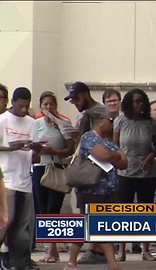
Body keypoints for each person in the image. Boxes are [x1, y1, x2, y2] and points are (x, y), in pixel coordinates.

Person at [63, 107, 127, 270]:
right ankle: (111, 263)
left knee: (99, 226)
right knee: (92, 225)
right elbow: (104, 156)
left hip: (109, 191)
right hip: (91, 191)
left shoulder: (108, 141)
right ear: (100, 121)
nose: (112, 123)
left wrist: (114, 155)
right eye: (109, 120)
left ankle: (72, 262)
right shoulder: (88, 137)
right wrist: (115, 155)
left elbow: (124, 162)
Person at [65, 81, 111, 264]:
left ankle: (90, 252)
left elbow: (100, 140)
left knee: (90, 214)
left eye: (77, 98)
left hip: (95, 171)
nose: (75, 103)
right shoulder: (85, 114)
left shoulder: (97, 113)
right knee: (90, 213)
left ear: (86, 94)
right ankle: (97, 251)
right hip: (87, 170)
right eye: (72, 100)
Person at [114, 89, 156, 262]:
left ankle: (145, 249)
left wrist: (151, 155)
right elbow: (115, 146)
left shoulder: (150, 123)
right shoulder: (120, 121)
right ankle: (121, 249)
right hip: (125, 171)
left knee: (146, 210)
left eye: (142, 101)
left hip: (147, 172)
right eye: (136, 101)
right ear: (129, 103)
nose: (139, 104)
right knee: (123, 211)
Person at [0, 87, 43, 270]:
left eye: (27, 106)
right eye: (21, 106)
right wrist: (11, 148)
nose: (24, 110)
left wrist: (38, 149)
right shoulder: (2, 120)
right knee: (5, 222)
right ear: (13, 102)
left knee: (22, 227)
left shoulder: (32, 123)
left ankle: (19, 263)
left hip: (25, 180)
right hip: (7, 178)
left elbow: (35, 157)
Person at [32, 91, 75, 264]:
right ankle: (52, 249)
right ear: (41, 106)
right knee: (43, 210)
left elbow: (71, 149)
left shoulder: (64, 123)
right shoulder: (36, 123)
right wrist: (37, 149)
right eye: (45, 105)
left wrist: (54, 151)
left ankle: (52, 249)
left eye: (51, 104)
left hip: (57, 168)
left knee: (53, 209)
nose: (48, 107)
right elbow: (32, 149)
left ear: (56, 106)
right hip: (40, 168)